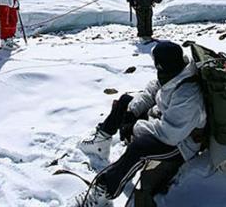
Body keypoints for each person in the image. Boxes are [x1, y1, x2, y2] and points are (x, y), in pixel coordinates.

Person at [71, 41, 206, 206]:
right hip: (166, 122)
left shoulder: (188, 94)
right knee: (125, 101)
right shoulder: (174, 71)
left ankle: (105, 192)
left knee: (139, 148)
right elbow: (152, 91)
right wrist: (131, 112)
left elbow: (170, 134)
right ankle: (100, 144)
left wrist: (135, 127)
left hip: (182, 143)